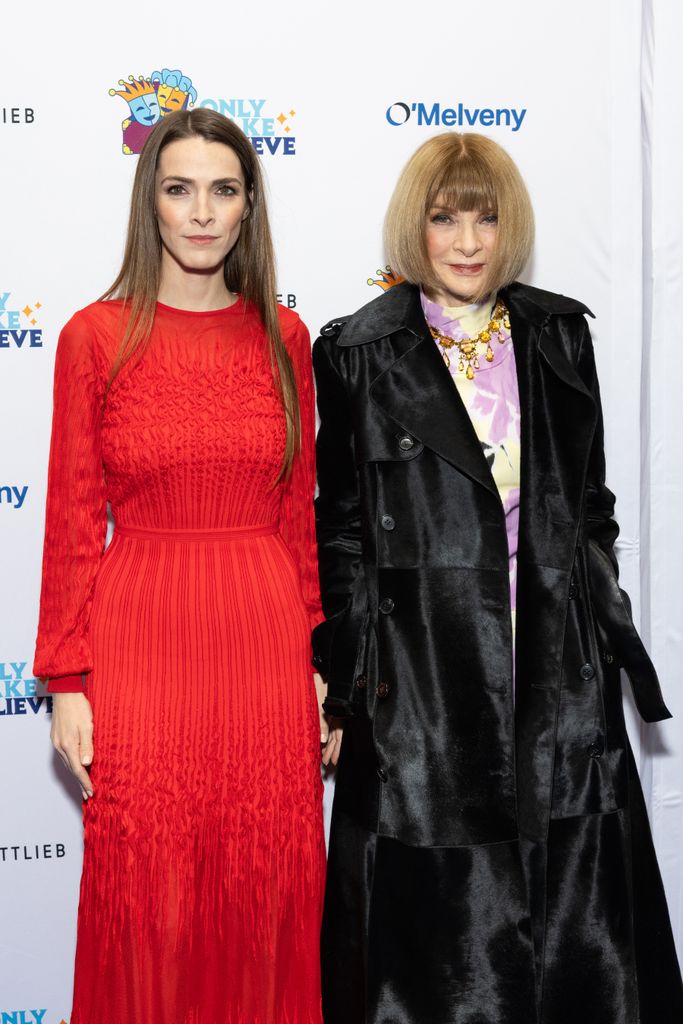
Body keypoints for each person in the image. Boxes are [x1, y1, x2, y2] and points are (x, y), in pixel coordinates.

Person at [312, 132, 683, 1023]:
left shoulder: (557, 334)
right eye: (444, 218)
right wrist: (358, 680)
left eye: (484, 216)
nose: (468, 240)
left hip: (552, 665)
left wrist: (595, 622)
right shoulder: (359, 352)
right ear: (417, 227)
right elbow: (344, 532)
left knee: (573, 917)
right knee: (437, 933)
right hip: (425, 676)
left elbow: (590, 502)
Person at [34, 108, 327, 1024]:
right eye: (178, 188)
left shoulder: (286, 339)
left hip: (263, 639)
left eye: (223, 190)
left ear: (248, 208)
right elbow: (74, 517)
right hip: (143, 638)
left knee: (266, 886)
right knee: (146, 893)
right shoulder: (93, 335)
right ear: (148, 203)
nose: (201, 212)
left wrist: (321, 659)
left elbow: (299, 515)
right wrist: (66, 680)